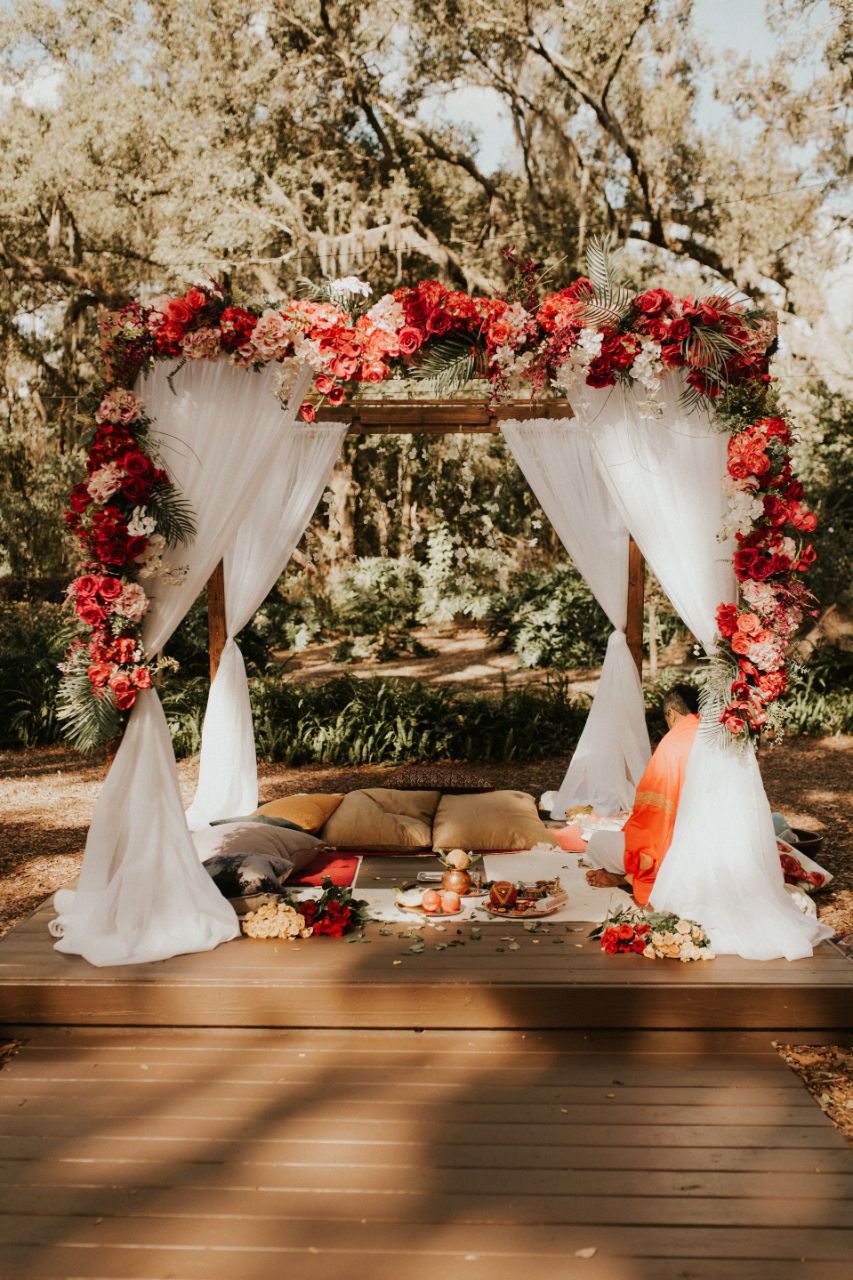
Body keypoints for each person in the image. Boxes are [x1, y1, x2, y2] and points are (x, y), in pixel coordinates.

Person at [585, 684, 700, 905]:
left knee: (598, 842)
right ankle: (628, 877)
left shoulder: (673, 742)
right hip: (714, 850)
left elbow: (652, 816)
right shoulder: (718, 736)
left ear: (671, 713)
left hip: (673, 853)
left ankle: (629, 878)